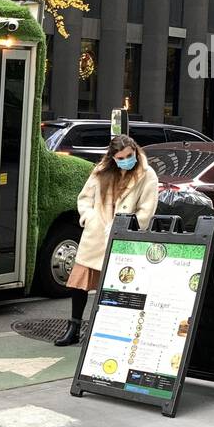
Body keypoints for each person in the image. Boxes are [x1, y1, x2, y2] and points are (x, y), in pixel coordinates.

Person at [55, 134, 159, 347]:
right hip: (95, 235)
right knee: (79, 283)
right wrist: (89, 217)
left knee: (119, 287)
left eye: (129, 156)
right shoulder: (101, 170)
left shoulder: (147, 174)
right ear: (113, 158)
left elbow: (147, 210)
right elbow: (84, 198)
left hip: (124, 238)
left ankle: (112, 331)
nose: (126, 160)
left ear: (135, 151)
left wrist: (127, 226)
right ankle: (73, 328)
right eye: (121, 158)